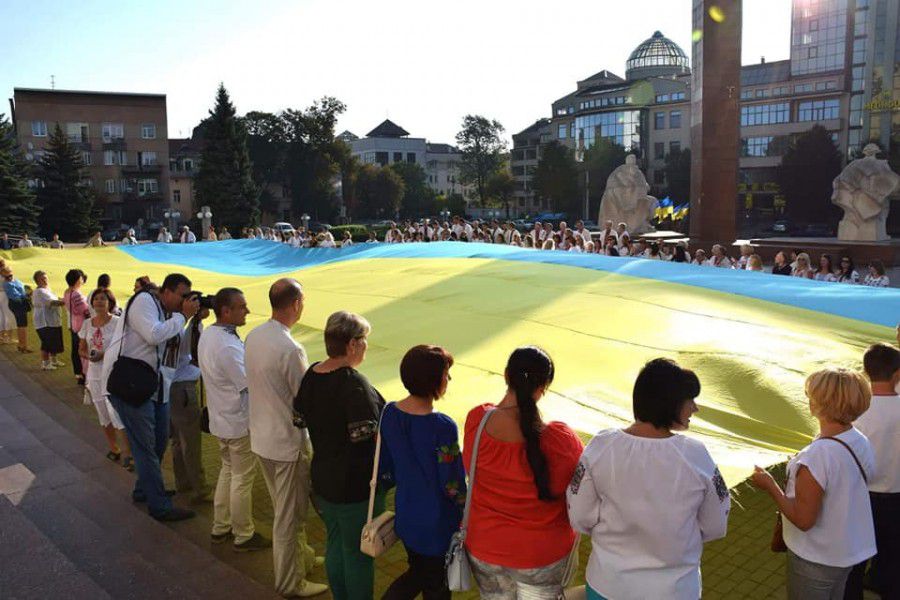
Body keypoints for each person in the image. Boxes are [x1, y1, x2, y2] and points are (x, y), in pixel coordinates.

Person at [568, 358, 730, 599]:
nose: (695, 408)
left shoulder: (602, 446)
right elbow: (716, 524)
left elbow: (579, 515)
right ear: (671, 404)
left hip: (608, 585)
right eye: (690, 400)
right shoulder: (696, 456)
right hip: (675, 590)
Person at [463, 347, 584, 599]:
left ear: (506, 375)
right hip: (542, 555)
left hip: (485, 547)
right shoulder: (560, 441)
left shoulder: (477, 420)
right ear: (545, 386)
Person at [751, 368, 875, 599]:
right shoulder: (858, 439)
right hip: (848, 550)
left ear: (819, 405)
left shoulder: (818, 455)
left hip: (817, 557)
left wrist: (770, 485)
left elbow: (803, 520)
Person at [245, 279, 327, 597]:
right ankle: (290, 581)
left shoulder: (255, 335)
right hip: (285, 441)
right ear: (296, 304)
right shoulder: (290, 348)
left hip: (263, 436)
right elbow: (304, 396)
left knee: (288, 509)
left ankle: (301, 559)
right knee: (289, 516)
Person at [294, 311, 385, 600]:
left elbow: (299, 418)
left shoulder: (313, 374)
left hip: (323, 479)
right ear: (353, 345)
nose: (366, 346)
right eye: (364, 340)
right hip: (353, 485)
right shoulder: (352, 383)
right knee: (358, 554)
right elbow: (365, 436)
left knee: (335, 544)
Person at [100, 273, 200, 521]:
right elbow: (154, 335)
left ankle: (145, 488)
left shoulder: (170, 314)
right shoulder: (145, 301)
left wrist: (193, 322)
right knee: (145, 448)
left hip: (155, 389)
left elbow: (176, 347)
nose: (184, 301)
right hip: (131, 387)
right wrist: (183, 316)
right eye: (182, 296)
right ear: (166, 291)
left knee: (157, 443)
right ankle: (160, 506)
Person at [380, 345, 464, 600]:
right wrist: (465, 505)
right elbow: (451, 482)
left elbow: (387, 464)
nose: (448, 379)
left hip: (406, 513)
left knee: (418, 571)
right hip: (437, 523)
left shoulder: (390, 414)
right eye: (445, 374)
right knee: (436, 584)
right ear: (433, 380)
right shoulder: (442, 426)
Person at [198, 288, 269, 551]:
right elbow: (249, 383)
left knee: (229, 472)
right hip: (237, 421)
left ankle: (221, 525)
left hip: (221, 419)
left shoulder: (210, 334)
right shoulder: (226, 345)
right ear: (226, 311)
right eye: (242, 307)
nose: (247, 311)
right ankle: (243, 533)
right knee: (242, 478)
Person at [848, 343, 900, 598]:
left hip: (860, 496)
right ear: (897, 374)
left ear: (866, 372)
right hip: (897, 498)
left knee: (855, 561)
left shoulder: (854, 411)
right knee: (892, 561)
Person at [79, 288, 132, 471]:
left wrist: (105, 354)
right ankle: (114, 448)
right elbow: (81, 348)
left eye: (103, 299)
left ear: (110, 302)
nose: (99, 302)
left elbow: (125, 347)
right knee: (103, 414)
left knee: (117, 413)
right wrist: (89, 356)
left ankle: (128, 453)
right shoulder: (87, 324)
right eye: (96, 299)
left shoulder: (118, 323)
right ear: (92, 303)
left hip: (114, 375)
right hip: (94, 376)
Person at [163, 299, 210, 505]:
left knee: (178, 440)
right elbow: (189, 350)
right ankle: (200, 488)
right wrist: (194, 320)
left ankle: (184, 483)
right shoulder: (177, 324)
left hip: (172, 387)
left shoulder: (168, 322)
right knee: (190, 440)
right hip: (183, 387)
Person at [32, 270, 65, 371]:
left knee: (54, 341)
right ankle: (45, 363)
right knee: (46, 343)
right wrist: (66, 301)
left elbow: (56, 299)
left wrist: (63, 299)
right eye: (42, 279)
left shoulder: (47, 289)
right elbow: (53, 302)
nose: (45, 280)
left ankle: (53, 360)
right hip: (44, 322)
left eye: (46, 278)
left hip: (53, 321)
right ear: (37, 281)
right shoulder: (40, 292)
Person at [63, 269, 91, 385]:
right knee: (82, 350)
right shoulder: (76, 294)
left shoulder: (67, 292)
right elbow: (84, 310)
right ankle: (83, 374)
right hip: (81, 324)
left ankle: (78, 374)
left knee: (75, 350)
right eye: (80, 279)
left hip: (74, 323)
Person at [1, 265, 31, 353]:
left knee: (22, 325)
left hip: (20, 303)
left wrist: (26, 291)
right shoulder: (7, 284)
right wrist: (27, 295)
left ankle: (22, 345)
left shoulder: (16, 280)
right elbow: (15, 296)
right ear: (3, 276)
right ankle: (23, 346)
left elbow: (22, 288)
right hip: (17, 304)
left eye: (10, 275)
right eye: (6, 277)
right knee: (22, 325)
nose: (9, 278)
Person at [0, 260, 16, 345]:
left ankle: (2, 336)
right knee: (9, 315)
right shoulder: (5, 273)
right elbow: (13, 282)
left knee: (1, 316)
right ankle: (8, 337)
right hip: (5, 295)